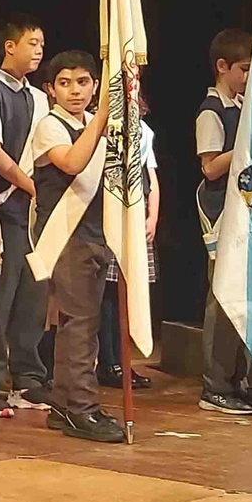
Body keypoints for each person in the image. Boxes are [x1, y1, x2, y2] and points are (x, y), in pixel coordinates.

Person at [27, 50, 123, 443]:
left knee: (80, 324)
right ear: (50, 90)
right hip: (65, 237)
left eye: (83, 82)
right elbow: (72, 163)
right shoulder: (51, 126)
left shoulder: (92, 126)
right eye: (64, 83)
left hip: (94, 234)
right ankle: (82, 408)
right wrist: (101, 118)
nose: (75, 91)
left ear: (95, 86)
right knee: (80, 324)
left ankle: (65, 404)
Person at [0, 13, 52, 416]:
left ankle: (29, 378)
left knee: (32, 299)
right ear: (10, 46)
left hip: (35, 212)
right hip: (4, 208)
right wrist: (31, 184)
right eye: (32, 43)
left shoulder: (38, 97)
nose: (39, 50)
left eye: (41, 44)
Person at [194, 29, 252, 414]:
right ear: (223, 67)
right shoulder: (211, 110)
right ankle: (215, 385)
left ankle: (238, 378)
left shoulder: (241, 106)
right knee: (221, 300)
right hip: (219, 211)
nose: (248, 77)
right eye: (244, 69)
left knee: (244, 298)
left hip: (245, 209)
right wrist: (246, 146)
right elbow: (211, 166)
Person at [98, 90, 158, 390]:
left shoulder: (145, 133)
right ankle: (108, 362)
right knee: (109, 296)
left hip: (137, 221)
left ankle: (124, 362)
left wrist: (152, 217)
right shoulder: (106, 132)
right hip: (113, 221)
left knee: (130, 294)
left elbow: (152, 178)